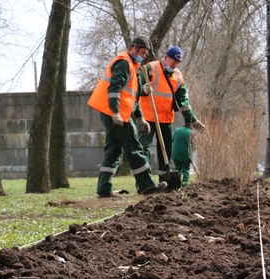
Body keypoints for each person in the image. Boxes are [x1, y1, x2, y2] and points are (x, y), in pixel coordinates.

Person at [87, 36, 168, 198]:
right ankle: (147, 187)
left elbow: (132, 97)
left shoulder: (133, 66)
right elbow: (114, 88)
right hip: (117, 115)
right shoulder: (123, 63)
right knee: (134, 149)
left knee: (113, 151)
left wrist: (140, 118)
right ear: (134, 48)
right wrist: (116, 112)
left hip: (115, 114)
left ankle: (104, 189)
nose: (144, 56)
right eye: (143, 52)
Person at [138, 46, 205, 182]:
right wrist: (142, 90)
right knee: (144, 150)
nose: (175, 65)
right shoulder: (149, 68)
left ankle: (165, 180)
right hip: (148, 117)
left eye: (177, 63)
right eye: (173, 62)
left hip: (166, 119)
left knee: (166, 152)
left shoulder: (178, 76)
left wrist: (193, 119)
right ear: (166, 58)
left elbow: (183, 101)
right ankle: (145, 183)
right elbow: (134, 88)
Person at [171, 122, 194, 187]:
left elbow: (173, 140)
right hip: (186, 155)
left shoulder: (177, 130)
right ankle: (185, 185)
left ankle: (175, 184)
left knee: (177, 169)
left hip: (176, 154)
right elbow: (194, 145)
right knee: (186, 170)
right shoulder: (191, 132)